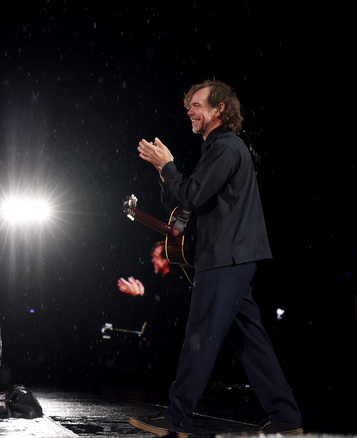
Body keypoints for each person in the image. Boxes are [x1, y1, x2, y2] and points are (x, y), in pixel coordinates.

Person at [129, 80, 302, 436]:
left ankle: (176, 417)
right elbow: (184, 203)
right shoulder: (218, 149)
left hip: (225, 257)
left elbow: (191, 195)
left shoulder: (225, 148)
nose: (189, 111)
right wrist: (166, 171)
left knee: (200, 335)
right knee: (250, 341)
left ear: (219, 108)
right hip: (233, 257)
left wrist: (168, 166)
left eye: (196, 105)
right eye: (188, 106)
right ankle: (285, 416)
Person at [117, 241, 191, 384]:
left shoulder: (173, 285)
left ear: (166, 260)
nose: (152, 260)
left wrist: (138, 296)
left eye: (155, 256)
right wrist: (142, 295)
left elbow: (156, 317)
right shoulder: (170, 283)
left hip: (170, 352)